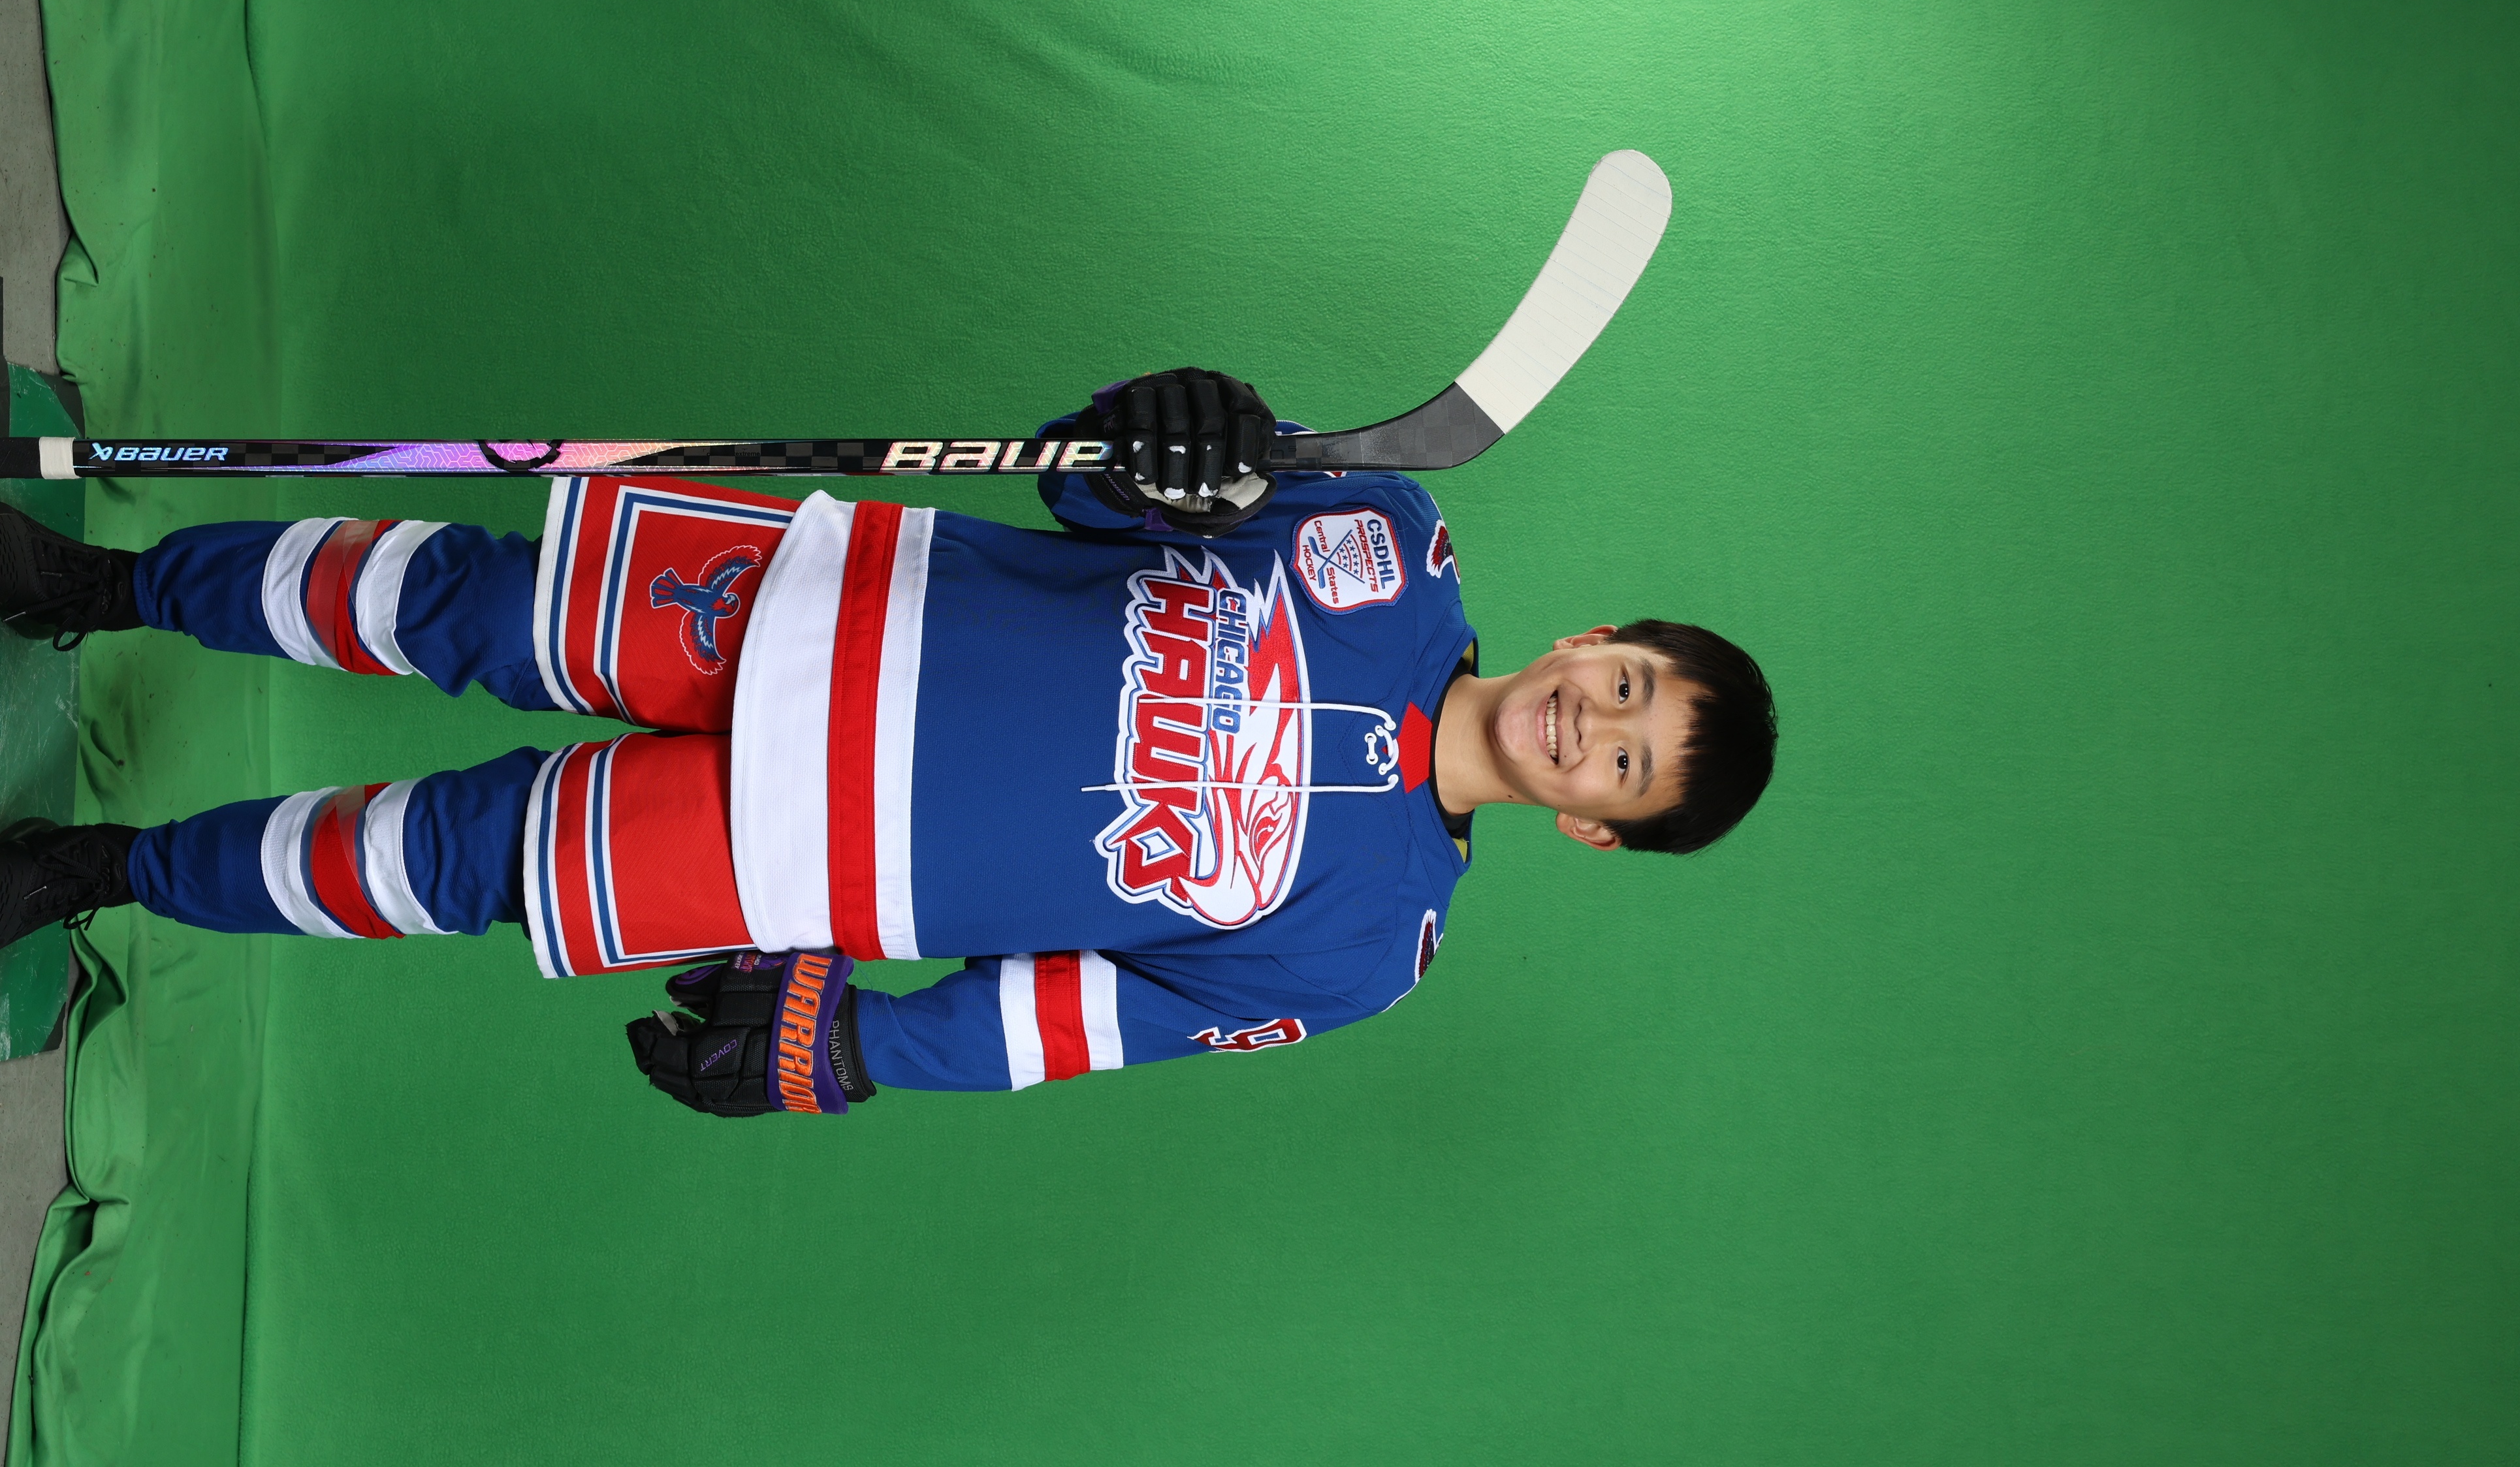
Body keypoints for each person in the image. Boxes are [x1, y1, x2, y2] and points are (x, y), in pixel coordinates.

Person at [0, 371, 1774, 1106]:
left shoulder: (1369, 950)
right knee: (458, 596)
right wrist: (1161, 421)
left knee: (436, 862)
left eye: (1626, 768)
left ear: (1594, 828)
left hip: (799, 853)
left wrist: (851, 1047)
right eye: (1629, 686)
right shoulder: (1384, 536)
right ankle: (96, 585)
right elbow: (1098, 490)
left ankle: (97, 868)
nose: (1595, 727)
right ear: (1595, 639)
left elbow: (1086, 1016)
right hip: (827, 606)